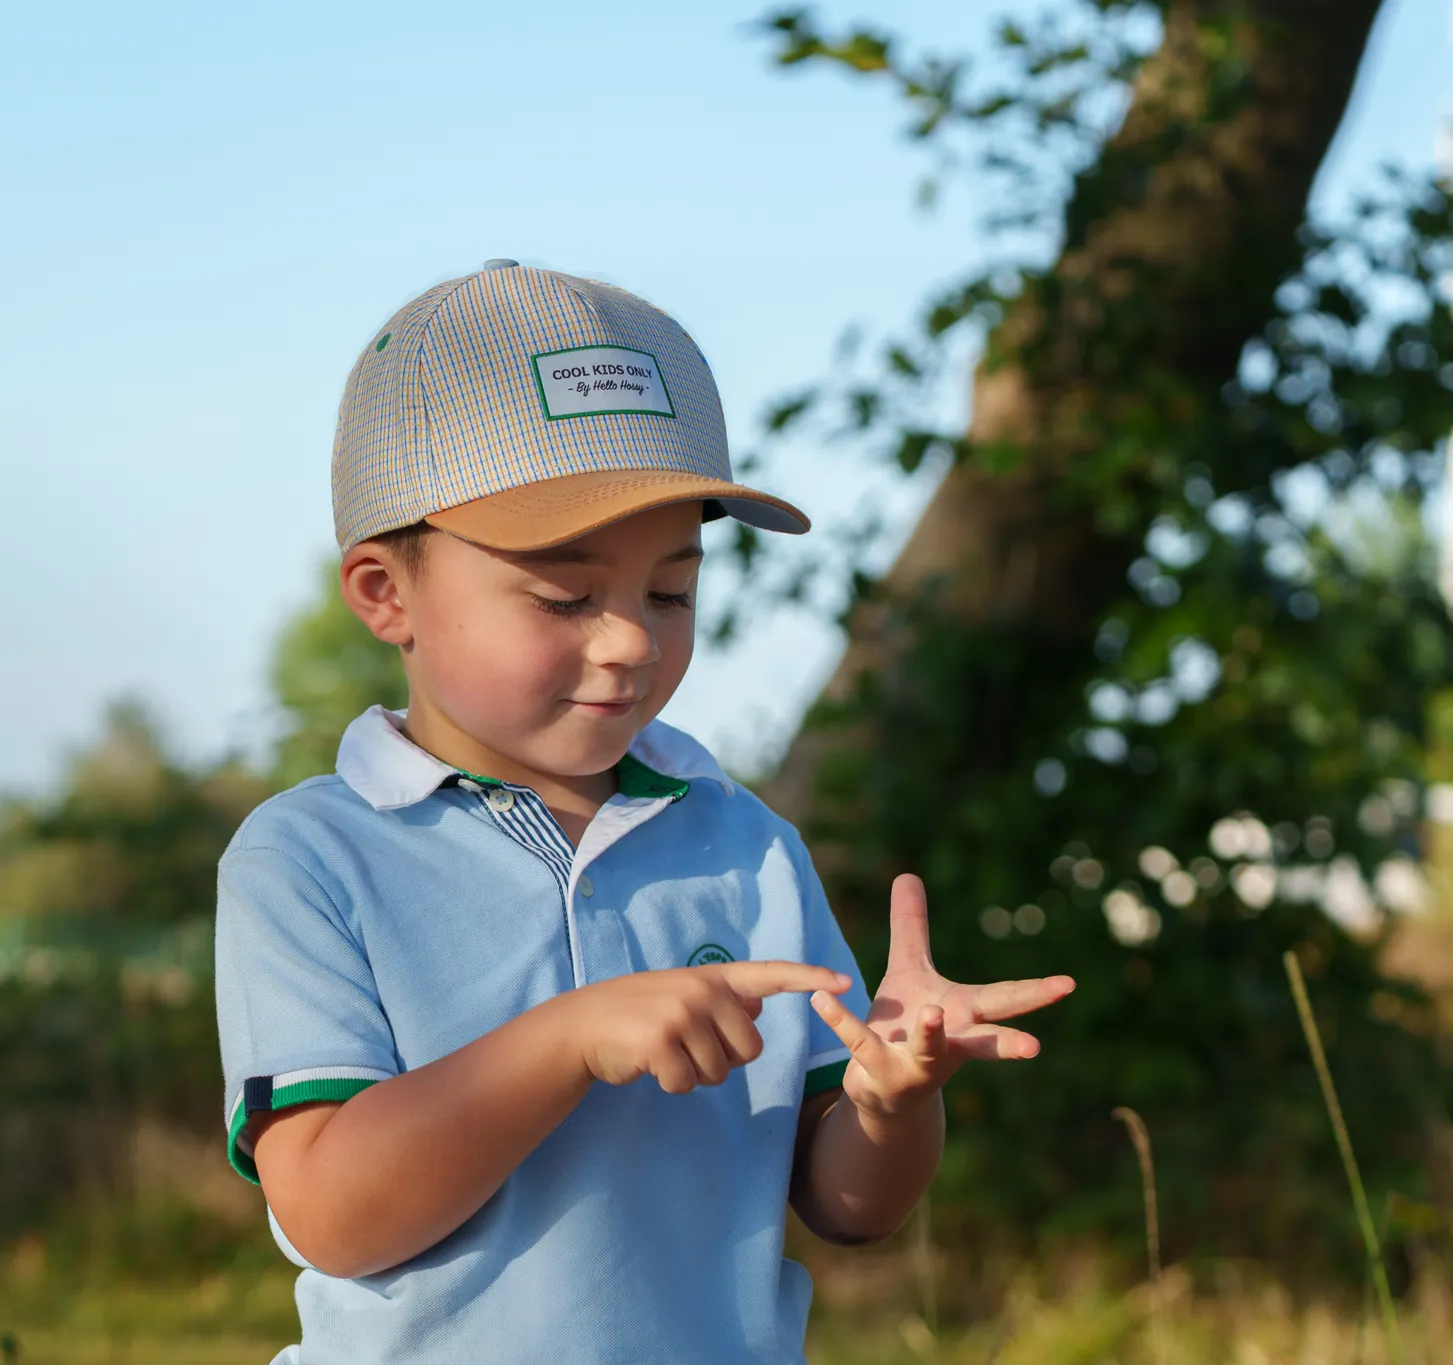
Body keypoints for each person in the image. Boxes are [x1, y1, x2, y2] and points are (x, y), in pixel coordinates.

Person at [215, 259, 1075, 1363]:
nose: (629, 639)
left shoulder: (745, 846)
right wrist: (567, 1039)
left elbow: (851, 1208)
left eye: (671, 589)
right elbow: (336, 1217)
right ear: (387, 594)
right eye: (564, 595)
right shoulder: (312, 858)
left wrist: (892, 1097)